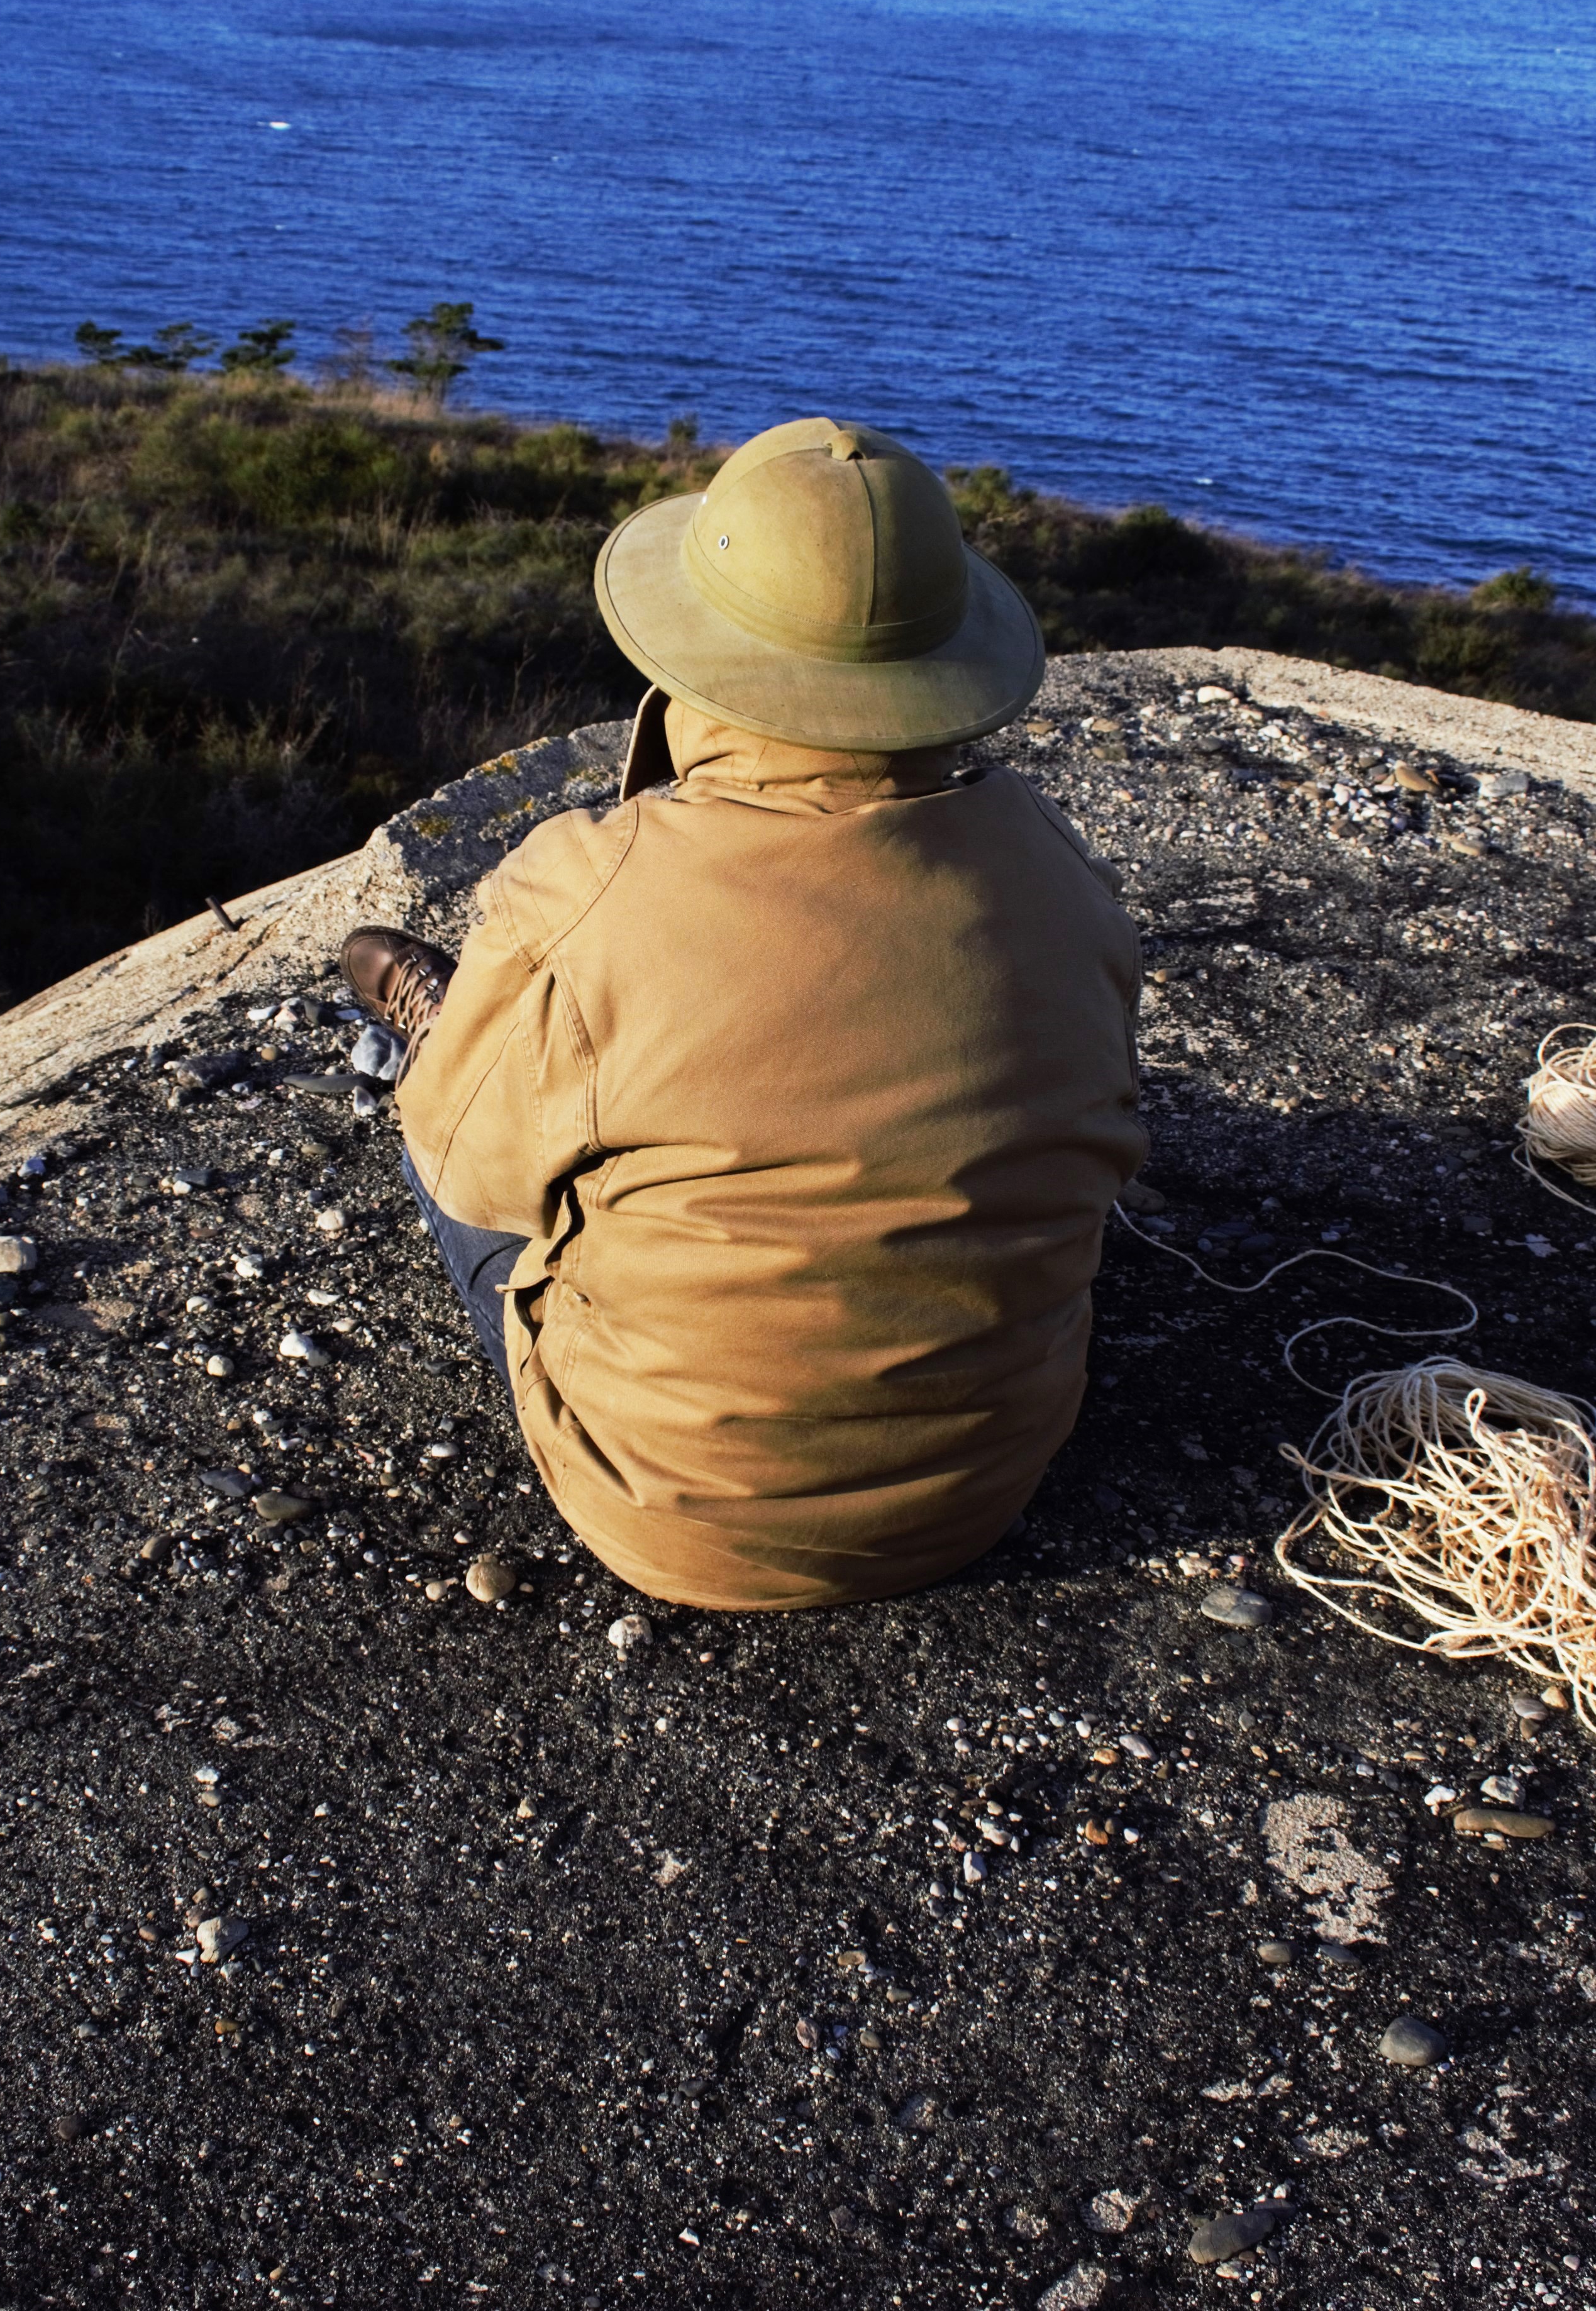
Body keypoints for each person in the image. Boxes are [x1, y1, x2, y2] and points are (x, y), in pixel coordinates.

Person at [342, 418, 1145, 1613]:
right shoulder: (1061, 870)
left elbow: (470, 1181)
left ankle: (454, 1028)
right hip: (986, 1487)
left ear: (695, 645)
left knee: (450, 1135)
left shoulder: (582, 889)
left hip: (672, 1515)